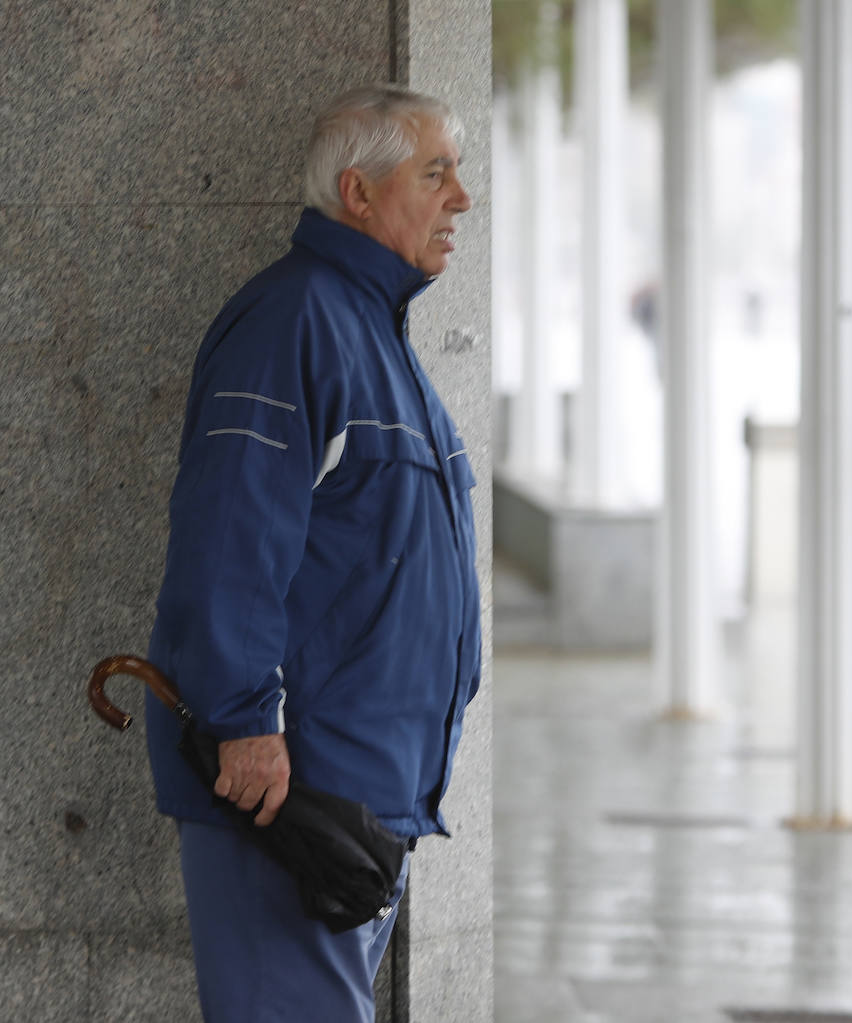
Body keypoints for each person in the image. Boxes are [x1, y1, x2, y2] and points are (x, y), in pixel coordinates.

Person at [143, 84, 481, 1020]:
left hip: (359, 792)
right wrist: (246, 720)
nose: (462, 198)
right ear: (358, 192)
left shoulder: (377, 331)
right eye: (436, 173)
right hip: (286, 785)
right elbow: (230, 535)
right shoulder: (295, 321)